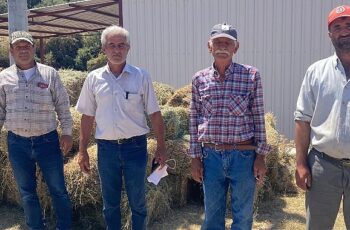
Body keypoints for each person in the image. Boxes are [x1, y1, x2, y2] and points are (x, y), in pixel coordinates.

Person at [76, 25, 167, 230]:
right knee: (110, 204)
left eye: (121, 45)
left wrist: (161, 146)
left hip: (135, 148)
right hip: (106, 149)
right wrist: (82, 150)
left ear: (129, 48)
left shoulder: (141, 76)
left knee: (138, 202)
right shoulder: (93, 79)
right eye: (112, 45)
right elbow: (87, 116)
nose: (117, 50)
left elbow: (154, 112)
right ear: (103, 50)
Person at [188, 23, 270, 230]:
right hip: (211, 157)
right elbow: (194, 119)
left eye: (228, 42)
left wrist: (261, 156)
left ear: (236, 47)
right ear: (209, 46)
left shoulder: (251, 75)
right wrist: (195, 158)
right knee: (212, 217)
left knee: (243, 217)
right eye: (218, 42)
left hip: (242, 156)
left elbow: (258, 117)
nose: (222, 46)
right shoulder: (199, 79)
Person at [0, 31, 73, 229]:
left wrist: (67, 132)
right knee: (26, 191)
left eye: (27, 46)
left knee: (58, 189)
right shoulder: (3, 77)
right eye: (18, 47)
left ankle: (65, 226)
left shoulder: (50, 74)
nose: (23, 50)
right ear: (12, 51)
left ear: (34, 48)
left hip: (47, 141)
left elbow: (63, 106)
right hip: (17, 143)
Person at [295, 5, 350, 229]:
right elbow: (302, 119)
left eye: (348, 25)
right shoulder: (316, 72)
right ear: (330, 35)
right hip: (323, 166)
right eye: (337, 27)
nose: (344, 31)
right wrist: (300, 163)